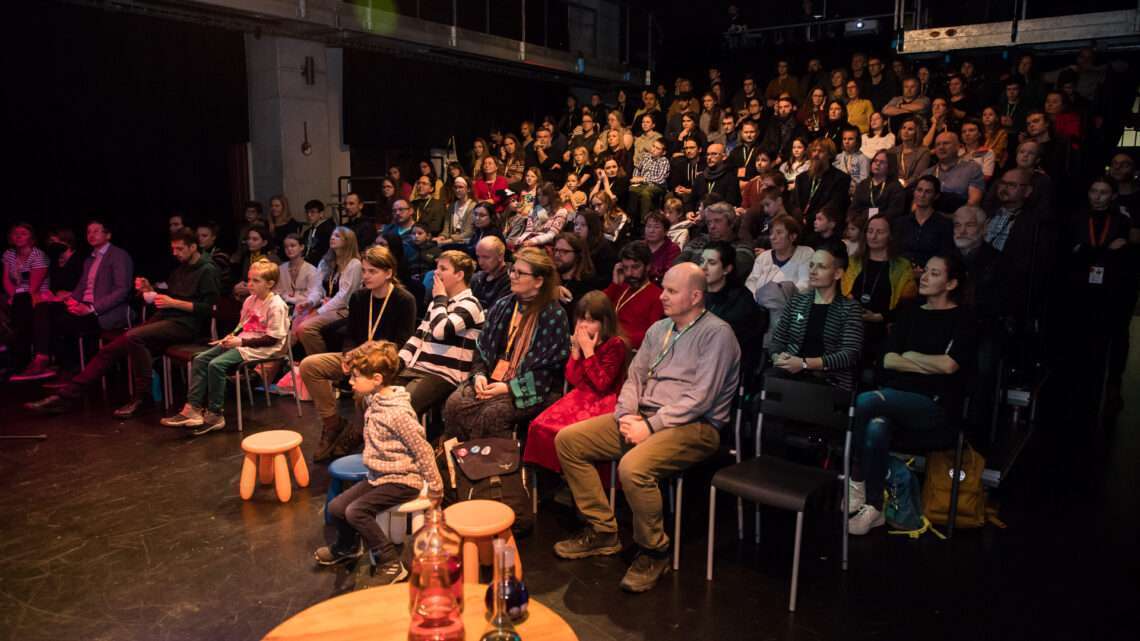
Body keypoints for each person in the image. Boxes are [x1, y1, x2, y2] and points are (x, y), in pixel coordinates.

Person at [553, 262, 739, 593]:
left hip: (694, 426)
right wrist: (626, 414)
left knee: (633, 467)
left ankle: (654, 550)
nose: (662, 296)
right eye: (663, 288)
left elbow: (701, 399)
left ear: (696, 296)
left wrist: (650, 426)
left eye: (671, 290)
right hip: (644, 417)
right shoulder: (659, 329)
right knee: (569, 440)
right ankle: (603, 531)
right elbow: (634, 377)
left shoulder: (717, 334)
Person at [26, 228, 220, 418]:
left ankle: (143, 398)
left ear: (193, 247)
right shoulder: (180, 269)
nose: (175, 253)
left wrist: (174, 302)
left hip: (187, 325)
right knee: (110, 349)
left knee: (134, 337)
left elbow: (208, 308)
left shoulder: (207, 270)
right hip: (167, 318)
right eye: (173, 249)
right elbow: (169, 297)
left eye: (179, 249)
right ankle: (65, 397)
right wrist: (149, 289)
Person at [847, 254, 974, 535]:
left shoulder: (962, 318)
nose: (924, 277)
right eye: (925, 271)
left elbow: (950, 365)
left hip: (934, 406)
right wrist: (927, 363)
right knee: (876, 428)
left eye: (935, 273)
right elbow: (888, 359)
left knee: (866, 401)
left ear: (951, 283)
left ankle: (856, 480)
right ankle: (875, 507)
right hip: (896, 397)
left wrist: (912, 356)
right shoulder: (910, 312)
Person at [313, 340, 444, 586]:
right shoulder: (374, 400)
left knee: (356, 511)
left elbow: (423, 450)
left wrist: (436, 486)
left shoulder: (398, 413)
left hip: (403, 479)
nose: (351, 382)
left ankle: (390, 562)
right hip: (380, 475)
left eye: (355, 377)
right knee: (337, 507)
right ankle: (347, 548)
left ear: (376, 378)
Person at [297, 245, 418, 459]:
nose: (366, 276)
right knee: (309, 365)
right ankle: (333, 424)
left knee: (362, 391)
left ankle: (358, 432)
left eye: (373, 271)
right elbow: (351, 334)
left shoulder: (404, 299)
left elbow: (402, 343)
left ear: (388, 273)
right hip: (358, 358)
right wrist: (347, 354)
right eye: (364, 270)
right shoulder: (360, 297)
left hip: (385, 364)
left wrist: (369, 351)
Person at [441, 247, 570, 440]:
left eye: (520, 273)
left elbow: (549, 370)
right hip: (494, 376)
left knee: (493, 414)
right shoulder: (502, 305)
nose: (513, 276)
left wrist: (509, 387)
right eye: (512, 270)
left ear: (538, 281)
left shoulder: (554, 315)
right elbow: (481, 349)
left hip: (534, 385)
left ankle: (497, 466)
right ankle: (457, 461)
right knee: (455, 403)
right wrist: (479, 376)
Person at [160, 259, 288, 435]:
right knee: (200, 358)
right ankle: (193, 410)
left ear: (270, 284)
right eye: (249, 279)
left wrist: (241, 342)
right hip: (243, 342)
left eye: (256, 281)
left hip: (261, 348)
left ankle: (215, 415)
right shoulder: (250, 300)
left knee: (216, 365)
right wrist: (230, 337)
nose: (250, 284)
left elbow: (273, 339)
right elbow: (243, 325)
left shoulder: (276, 305)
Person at [15, 220, 133, 382]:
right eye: (88, 232)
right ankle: (43, 359)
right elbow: (81, 288)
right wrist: (69, 301)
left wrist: (91, 308)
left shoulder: (119, 255)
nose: (91, 235)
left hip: (106, 312)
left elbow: (122, 290)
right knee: (44, 309)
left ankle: (72, 369)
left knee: (63, 322)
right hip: (84, 306)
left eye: (96, 231)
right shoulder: (90, 259)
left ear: (108, 235)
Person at [524, 291, 628, 474]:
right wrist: (576, 352)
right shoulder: (581, 343)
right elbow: (573, 378)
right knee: (539, 426)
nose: (584, 325)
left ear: (605, 322)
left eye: (591, 320)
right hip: (580, 396)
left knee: (566, 432)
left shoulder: (615, 344)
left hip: (605, 401)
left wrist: (588, 352)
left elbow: (602, 384)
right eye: (581, 319)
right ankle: (548, 478)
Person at [1062, 176, 1134, 415]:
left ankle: (1112, 383)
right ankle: (1077, 382)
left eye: (1104, 192)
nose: (1098, 196)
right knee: (1080, 334)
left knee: (1112, 334)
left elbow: (1121, 252)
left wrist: (1088, 251)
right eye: (1094, 191)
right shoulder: (1077, 219)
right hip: (1080, 286)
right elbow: (1072, 252)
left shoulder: (1122, 221)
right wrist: (1101, 250)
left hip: (1111, 287)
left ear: (1113, 196)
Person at [768, 239, 864, 392]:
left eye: (822, 267)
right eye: (811, 265)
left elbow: (849, 354)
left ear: (838, 273)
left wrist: (804, 364)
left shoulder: (850, 308)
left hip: (829, 380)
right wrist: (777, 358)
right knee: (767, 391)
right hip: (789, 373)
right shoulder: (796, 302)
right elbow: (777, 340)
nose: (812, 271)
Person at [841, 216, 916, 362]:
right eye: (870, 231)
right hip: (851, 322)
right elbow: (843, 293)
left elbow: (907, 303)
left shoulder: (902, 266)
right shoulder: (853, 261)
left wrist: (879, 316)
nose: (873, 236)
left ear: (891, 235)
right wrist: (855, 311)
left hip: (884, 327)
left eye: (880, 232)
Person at [293, 227, 363, 356]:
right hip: (324, 305)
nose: (332, 238)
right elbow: (317, 289)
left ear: (348, 241)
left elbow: (343, 297)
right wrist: (310, 302)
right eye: (332, 235)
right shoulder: (326, 262)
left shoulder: (354, 264)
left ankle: (319, 363)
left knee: (305, 328)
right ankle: (290, 364)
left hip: (342, 309)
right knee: (296, 319)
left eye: (337, 236)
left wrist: (319, 312)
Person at [700, 240, 765, 349]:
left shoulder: (742, 300)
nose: (703, 267)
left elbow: (725, 342)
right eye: (702, 261)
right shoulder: (696, 292)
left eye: (712, 263)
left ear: (727, 269)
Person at [604, 241, 664, 350]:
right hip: (610, 343)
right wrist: (614, 285)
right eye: (625, 268)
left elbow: (652, 334)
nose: (629, 273)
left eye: (635, 267)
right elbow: (598, 307)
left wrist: (620, 339)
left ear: (648, 267)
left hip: (630, 351)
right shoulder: (621, 286)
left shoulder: (657, 295)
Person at [896, 175, 955, 269]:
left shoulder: (945, 224)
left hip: (931, 274)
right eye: (919, 190)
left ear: (936, 196)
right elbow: (895, 253)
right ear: (914, 192)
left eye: (928, 192)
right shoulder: (901, 223)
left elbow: (945, 256)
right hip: (902, 273)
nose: (922, 195)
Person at [922, 131, 985, 211]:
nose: (941, 147)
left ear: (958, 147)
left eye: (946, 143)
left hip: (959, 219)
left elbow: (973, 202)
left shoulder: (972, 169)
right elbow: (917, 203)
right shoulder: (927, 173)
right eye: (938, 144)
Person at [795, 138, 852, 226]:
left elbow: (832, 206)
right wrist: (799, 219)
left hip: (824, 225)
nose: (815, 155)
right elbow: (794, 204)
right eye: (814, 151)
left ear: (829, 155)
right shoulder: (801, 178)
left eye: (821, 151)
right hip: (800, 224)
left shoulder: (841, 179)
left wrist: (808, 219)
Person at [849, 150, 906, 222]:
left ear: (890, 166)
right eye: (875, 161)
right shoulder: (863, 184)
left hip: (883, 225)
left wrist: (869, 214)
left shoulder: (896, 187)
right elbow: (853, 209)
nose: (878, 164)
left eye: (882, 162)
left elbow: (894, 213)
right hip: (861, 223)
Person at [628, 139, 671, 224]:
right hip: (643, 184)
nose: (653, 149)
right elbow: (638, 168)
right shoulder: (646, 156)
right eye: (653, 146)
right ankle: (631, 219)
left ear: (663, 152)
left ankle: (644, 221)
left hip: (658, 185)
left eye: (657, 148)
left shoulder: (664, 161)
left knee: (646, 192)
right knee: (632, 189)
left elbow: (660, 179)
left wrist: (642, 179)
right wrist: (636, 178)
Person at [231, 225, 278, 300]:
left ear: (264, 243)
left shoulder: (271, 260)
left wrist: (250, 289)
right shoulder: (247, 256)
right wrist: (237, 287)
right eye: (248, 238)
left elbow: (273, 286)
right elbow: (243, 278)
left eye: (255, 239)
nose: (250, 242)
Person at [690, 142, 742, 209]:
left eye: (714, 154)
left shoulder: (730, 177)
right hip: (699, 214)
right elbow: (691, 201)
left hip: (720, 215)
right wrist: (689, 211)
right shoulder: (700, 177)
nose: (709, 157)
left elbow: (731, 203)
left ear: (724, 157)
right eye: (708, 154)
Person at [274, 233, 318, 309]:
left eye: (292, 246)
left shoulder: (311, 270)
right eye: (286, 247)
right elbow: (277, 291)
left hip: (304, 308)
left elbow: (314, 293)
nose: (289, 249)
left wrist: (294, 299)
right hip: (283, 306)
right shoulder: (281, 269)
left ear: (302, 247)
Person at [573, 209, 618, 281]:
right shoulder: (574, 245)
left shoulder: (604, 248)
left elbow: (605, 278)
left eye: (583, 225)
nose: (577, 228)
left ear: (592, 227)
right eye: (576, 224)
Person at [469, 236, 511, 311]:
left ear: (500, 256)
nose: (481, 262)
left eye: (486, 257)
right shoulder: (477, 277)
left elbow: (495, 313)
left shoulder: (510, 280)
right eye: (478, 257)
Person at [891, 117, 931, 188]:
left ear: (917, 132)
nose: (905, 131)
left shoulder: (923, 152)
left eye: (910, 129)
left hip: (912, 188)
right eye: (904, 128)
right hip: (894, 187)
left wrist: (905, 184)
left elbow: (918, 175)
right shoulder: (892, 151)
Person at [643, 212, 680, 286]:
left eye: (656, 227)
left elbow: (669, 276)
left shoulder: (673, 249)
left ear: (665, 231)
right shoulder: (638, 246)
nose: (651, 230)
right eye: (648, 226)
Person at [834, 126, 870, 190]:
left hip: (855, 191)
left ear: (857, 141)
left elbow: (864, 182)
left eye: (850, 139)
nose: (846, 142)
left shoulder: (863, 159)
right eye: (844, 139)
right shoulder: (838, 157)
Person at [303, 200, 335, 267]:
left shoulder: (329, 229)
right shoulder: (307, 232)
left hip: (323, 266)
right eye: (307, 212)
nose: (309, 215)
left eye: (312, 212)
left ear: (321, 214)